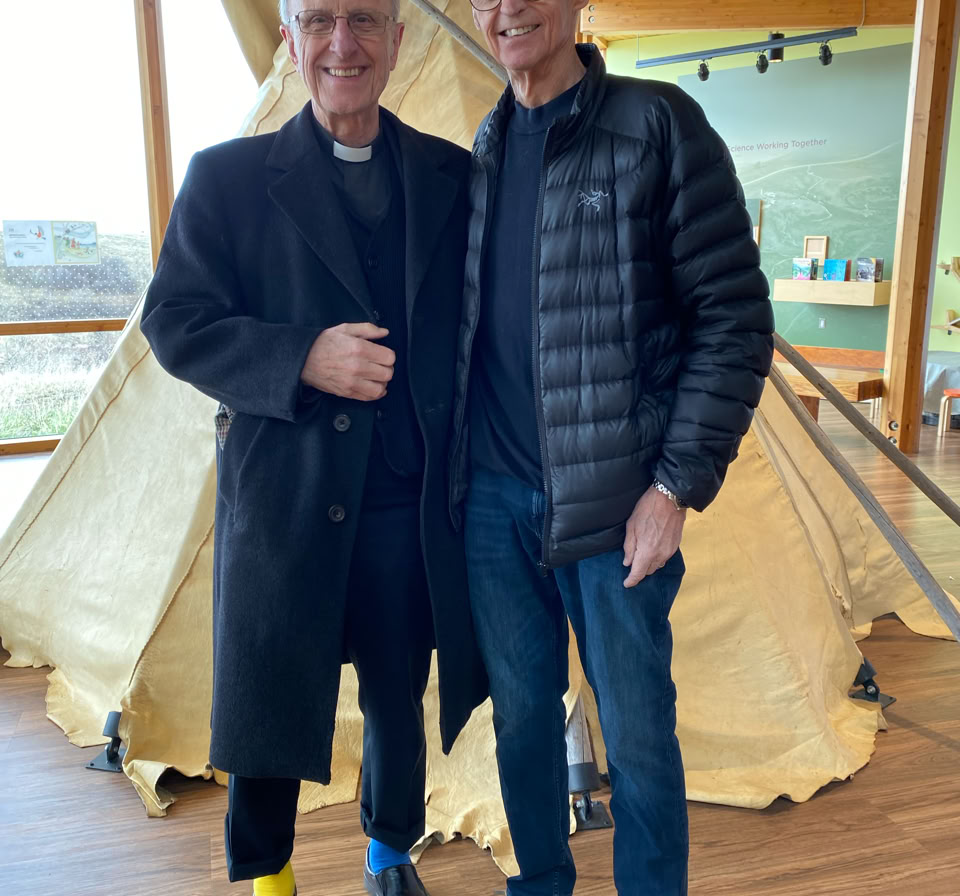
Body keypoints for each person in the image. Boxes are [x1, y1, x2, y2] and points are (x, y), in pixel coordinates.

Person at [140, 2, 485, 894]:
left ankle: (389, 852)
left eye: (364, 19)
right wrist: (302, 357)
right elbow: (174, 321)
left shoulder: (452, 175)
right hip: (284, 499)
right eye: (320, 19)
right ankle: (270, 875)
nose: (343, 43)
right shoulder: (224, 178)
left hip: (405, 505)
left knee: (397, 698)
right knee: (268, 700)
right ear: (290, 39)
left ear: (397, 41)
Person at [451, 1, 775, 893]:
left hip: (619, 507)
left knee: (636, 737)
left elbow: (735, 319)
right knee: (520, 724)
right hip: (494, 504)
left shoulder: (655, 125)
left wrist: (674, 486)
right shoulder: (481, 151)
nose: (510, 7)